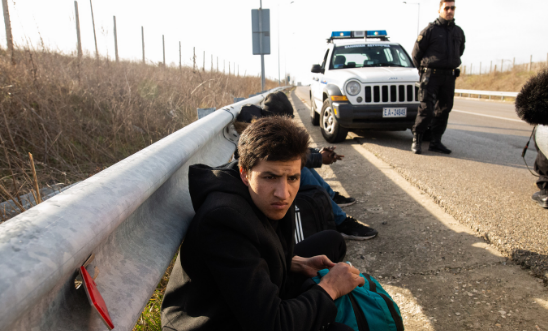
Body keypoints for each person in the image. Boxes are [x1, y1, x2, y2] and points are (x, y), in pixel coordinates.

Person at [161, 117, 364, 331]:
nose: (283, 193)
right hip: (216, 322)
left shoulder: (265, 197)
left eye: (293, 178)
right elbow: (273, 325)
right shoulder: (223, 220)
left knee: (332, 240)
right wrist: (330, 288)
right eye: (269, 177)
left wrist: (294, 262)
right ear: (245, 174)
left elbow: (253, 251)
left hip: (243, 300)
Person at [264, 91, 378, 240]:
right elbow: (286, 158)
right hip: (267, 184)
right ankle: (340, 222)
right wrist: (319, 158)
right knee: (300, 168)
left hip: (272, 178)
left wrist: (318, 152)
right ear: (275, 119)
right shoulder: (262, 136)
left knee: (302, 165)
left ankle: (330, 197)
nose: (289, 125)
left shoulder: (267, 127)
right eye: (286, 120)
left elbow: (291, 150)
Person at [411, 0, 466, 155]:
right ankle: (417, 140)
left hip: (448, 77)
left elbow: (460, 51)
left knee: (443, 110)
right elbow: (416, 54)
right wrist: (423, 73)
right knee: (426, 110)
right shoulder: (430, 30)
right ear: (440, 10)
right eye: (446, 8)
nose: (450, 11)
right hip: (431, 76)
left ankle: (436, 142)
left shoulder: (458, 32)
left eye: (452, 8)